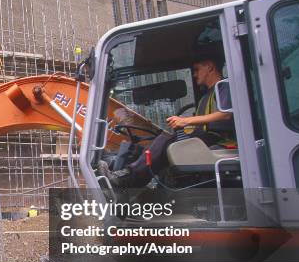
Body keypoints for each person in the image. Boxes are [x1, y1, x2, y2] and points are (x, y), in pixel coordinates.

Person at [98, 56, 235, 188]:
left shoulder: (223, 87)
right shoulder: (207, 95)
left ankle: (127, 179)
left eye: (197, 69)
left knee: (164, 141)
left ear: (210, 67)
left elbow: (226, 114)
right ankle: (127, 176)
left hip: (218, 140)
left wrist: (186, 121)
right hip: (205, 138)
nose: (194, 74)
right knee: (158, 144)